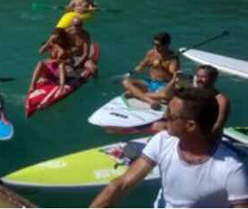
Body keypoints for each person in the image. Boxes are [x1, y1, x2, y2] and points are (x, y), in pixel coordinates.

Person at [90, 87, 248, 208]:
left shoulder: (232, 170)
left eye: (171, 115)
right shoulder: (162, 141)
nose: (164, 117)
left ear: (191, 125)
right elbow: (122, 184)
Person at [122, 32, 179, 108]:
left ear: (166, 45)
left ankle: (136, 94)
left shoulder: (173, 59)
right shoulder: (151, 53)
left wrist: (161, 67)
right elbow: (141, 65)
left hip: (163, 86)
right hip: (150, 83)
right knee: (126, 81)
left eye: (158, 45)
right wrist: (136, 70)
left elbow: (172, 77)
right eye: (154, 44)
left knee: (166, 95)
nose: (155, 47)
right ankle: (151, 101)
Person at [30, 28, 72, 97]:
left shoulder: (66, 46)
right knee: (40, 62)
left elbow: (71, 61)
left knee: (61, 64)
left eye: (57, 38)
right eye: (54, 38)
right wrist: (49, 41)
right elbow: (40, 52)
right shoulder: (52, 44)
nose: (56, 39)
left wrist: (61, 61)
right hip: (51, 70)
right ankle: (32, 85)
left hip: (61, 72)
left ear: (61, 37)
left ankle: (61, 87)